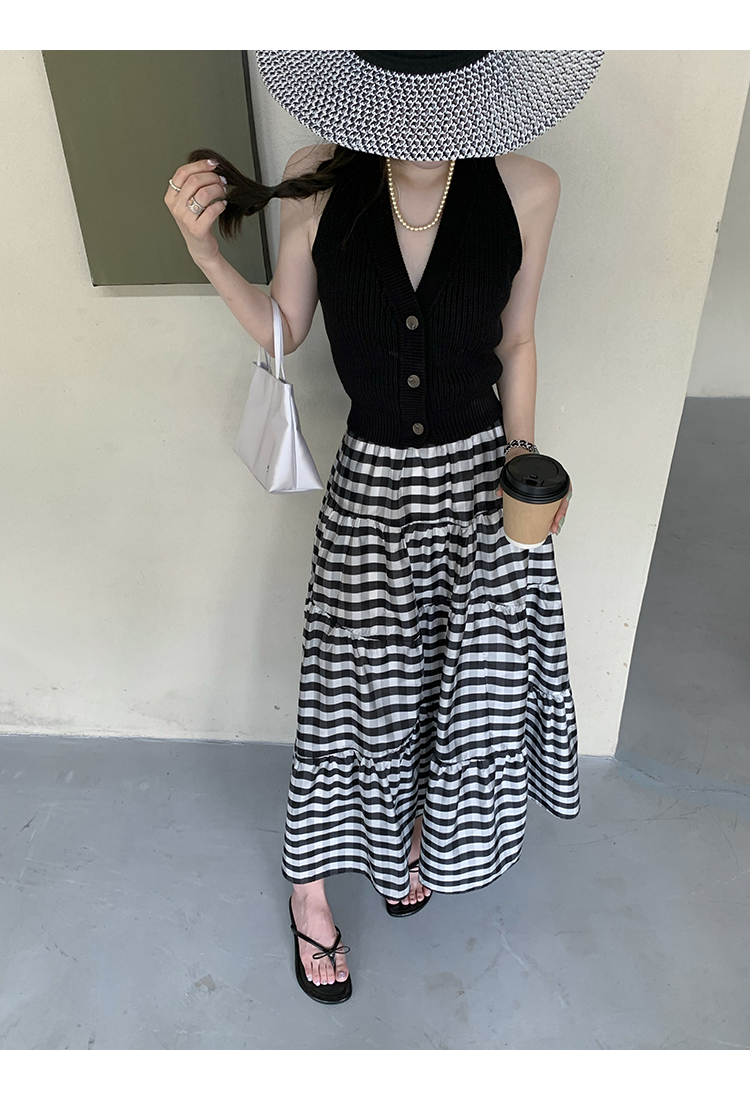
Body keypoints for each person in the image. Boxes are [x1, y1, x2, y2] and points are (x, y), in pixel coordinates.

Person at [165, 49, 603, 1005]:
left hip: (482, 486)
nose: (423, 106)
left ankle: (414, 843)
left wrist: (525, 467)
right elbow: (286, 327)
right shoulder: (319, 179)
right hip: (370, 490)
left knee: (458, 683)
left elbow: (518, 338)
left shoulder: (527, 187)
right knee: (349, 693)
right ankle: (310, 890)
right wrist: (207, 256)